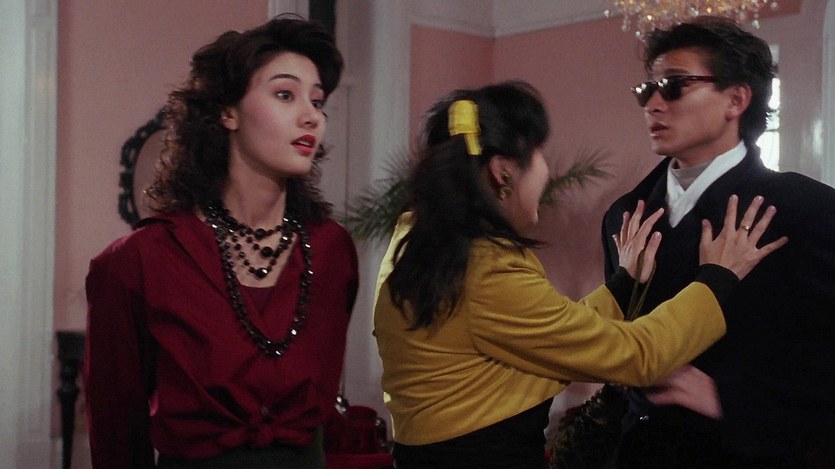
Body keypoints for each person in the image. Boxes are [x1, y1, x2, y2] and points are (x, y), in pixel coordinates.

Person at [372, 81, 786, 469]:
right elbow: (638, 356)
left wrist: (623, 285)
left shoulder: (419, 239)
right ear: (503, 171)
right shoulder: (486, 269)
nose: (546, 172)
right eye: (539, 154)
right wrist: (716, 278)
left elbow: (551, 338)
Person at [83, 16, 358, 468]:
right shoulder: (138, 262)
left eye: (317, 100)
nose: (311, 116)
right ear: (227, 112)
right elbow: (116, 434)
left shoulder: (333, 251)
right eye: (285, 95)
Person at [602, 16, 835, 468]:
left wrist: (731, 397)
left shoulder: (805, 209)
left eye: (674, 86)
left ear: (736, 99)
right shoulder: (625, 213)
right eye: (646, 90)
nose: (653, 104)